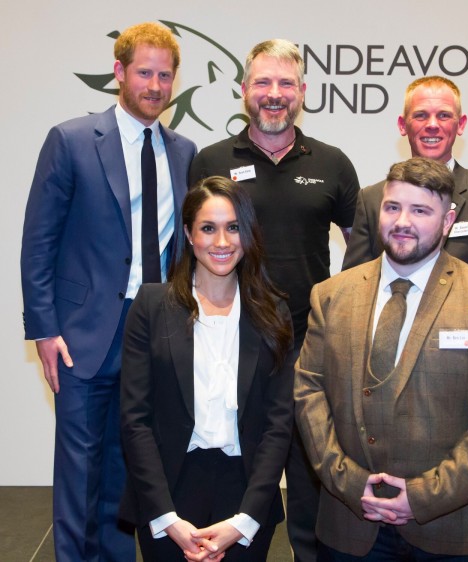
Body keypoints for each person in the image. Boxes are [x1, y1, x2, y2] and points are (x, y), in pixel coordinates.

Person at [20, 22, 196, 561]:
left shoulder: (185, 151)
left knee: (131, 466)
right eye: (144, 72)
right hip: (83, 333)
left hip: (155, 330)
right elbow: (38, 242)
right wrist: (44, 329)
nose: (155, 85)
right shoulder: (71, 140)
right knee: (80, 469)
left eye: (165, 76)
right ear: (119, 73)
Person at [295, 157, 468, 561]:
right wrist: (350, 483)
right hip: (351, 526)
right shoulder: (331, 295)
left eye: (420, 210)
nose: (403, 221)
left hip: (456, 528)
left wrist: (423, 496)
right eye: (392, 207)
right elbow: (308, 392)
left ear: (448, 219)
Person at [189, 39, 360, 562]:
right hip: (235, 346)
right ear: (244, 91)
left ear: (303, 92)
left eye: (286, 83)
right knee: (245, 485)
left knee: (311, 487)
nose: (274, 94)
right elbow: (192, 245)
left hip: (311, 348)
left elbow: (362, 253)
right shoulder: (212, 160)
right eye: (263, 82)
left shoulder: (332, 164)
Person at [120, 177, 294, 562]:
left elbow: (279, 423)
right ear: (188, 233)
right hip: (169, 492)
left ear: (248, 234)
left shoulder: (274, 312)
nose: (222, 242)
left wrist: (246, 519)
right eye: (208, 228)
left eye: (234, 227)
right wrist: (168, 519)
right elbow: (135, 420)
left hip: (247, 494)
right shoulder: (150, 306)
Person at [342, 76, 468, 284]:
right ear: (402, 125)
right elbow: (352, 286)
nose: (432, 125)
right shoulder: (371, 199)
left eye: (444, 115)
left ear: (460, 125)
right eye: (421, 115)